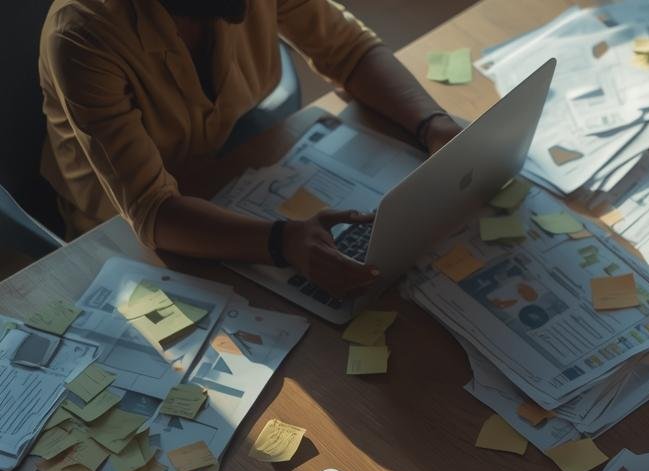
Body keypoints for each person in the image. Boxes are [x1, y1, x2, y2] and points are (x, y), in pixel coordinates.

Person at [39, 0, 464, 297]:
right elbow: (152, 210)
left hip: (225, 173)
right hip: (122, 233)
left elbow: (347, 49)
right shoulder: (83, 32)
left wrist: (433, 125)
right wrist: (285, 243)